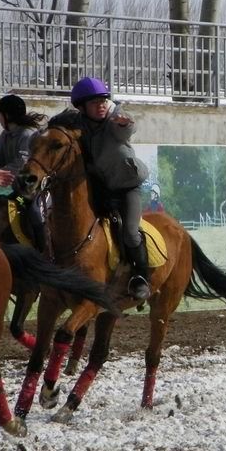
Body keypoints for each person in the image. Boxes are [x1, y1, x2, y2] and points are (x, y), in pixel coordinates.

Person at [69, 77, 151, 300]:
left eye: (104, 100)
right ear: (82, 107)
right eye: (95, 102)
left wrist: (127, 123)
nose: (102, 104)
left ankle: (140, 278)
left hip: (127, 188)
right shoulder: (78, 122)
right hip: (100, 188)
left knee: (131, 232)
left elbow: (127, 127)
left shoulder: (116, 117)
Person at [0, 94, 48, 249]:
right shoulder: (6, 134)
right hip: (8, 182)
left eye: (0, 115)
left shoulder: (28, 134)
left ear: (8, 116)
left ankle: (43, 248)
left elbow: (21, 165)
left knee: (34, 211)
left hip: (28, 184)